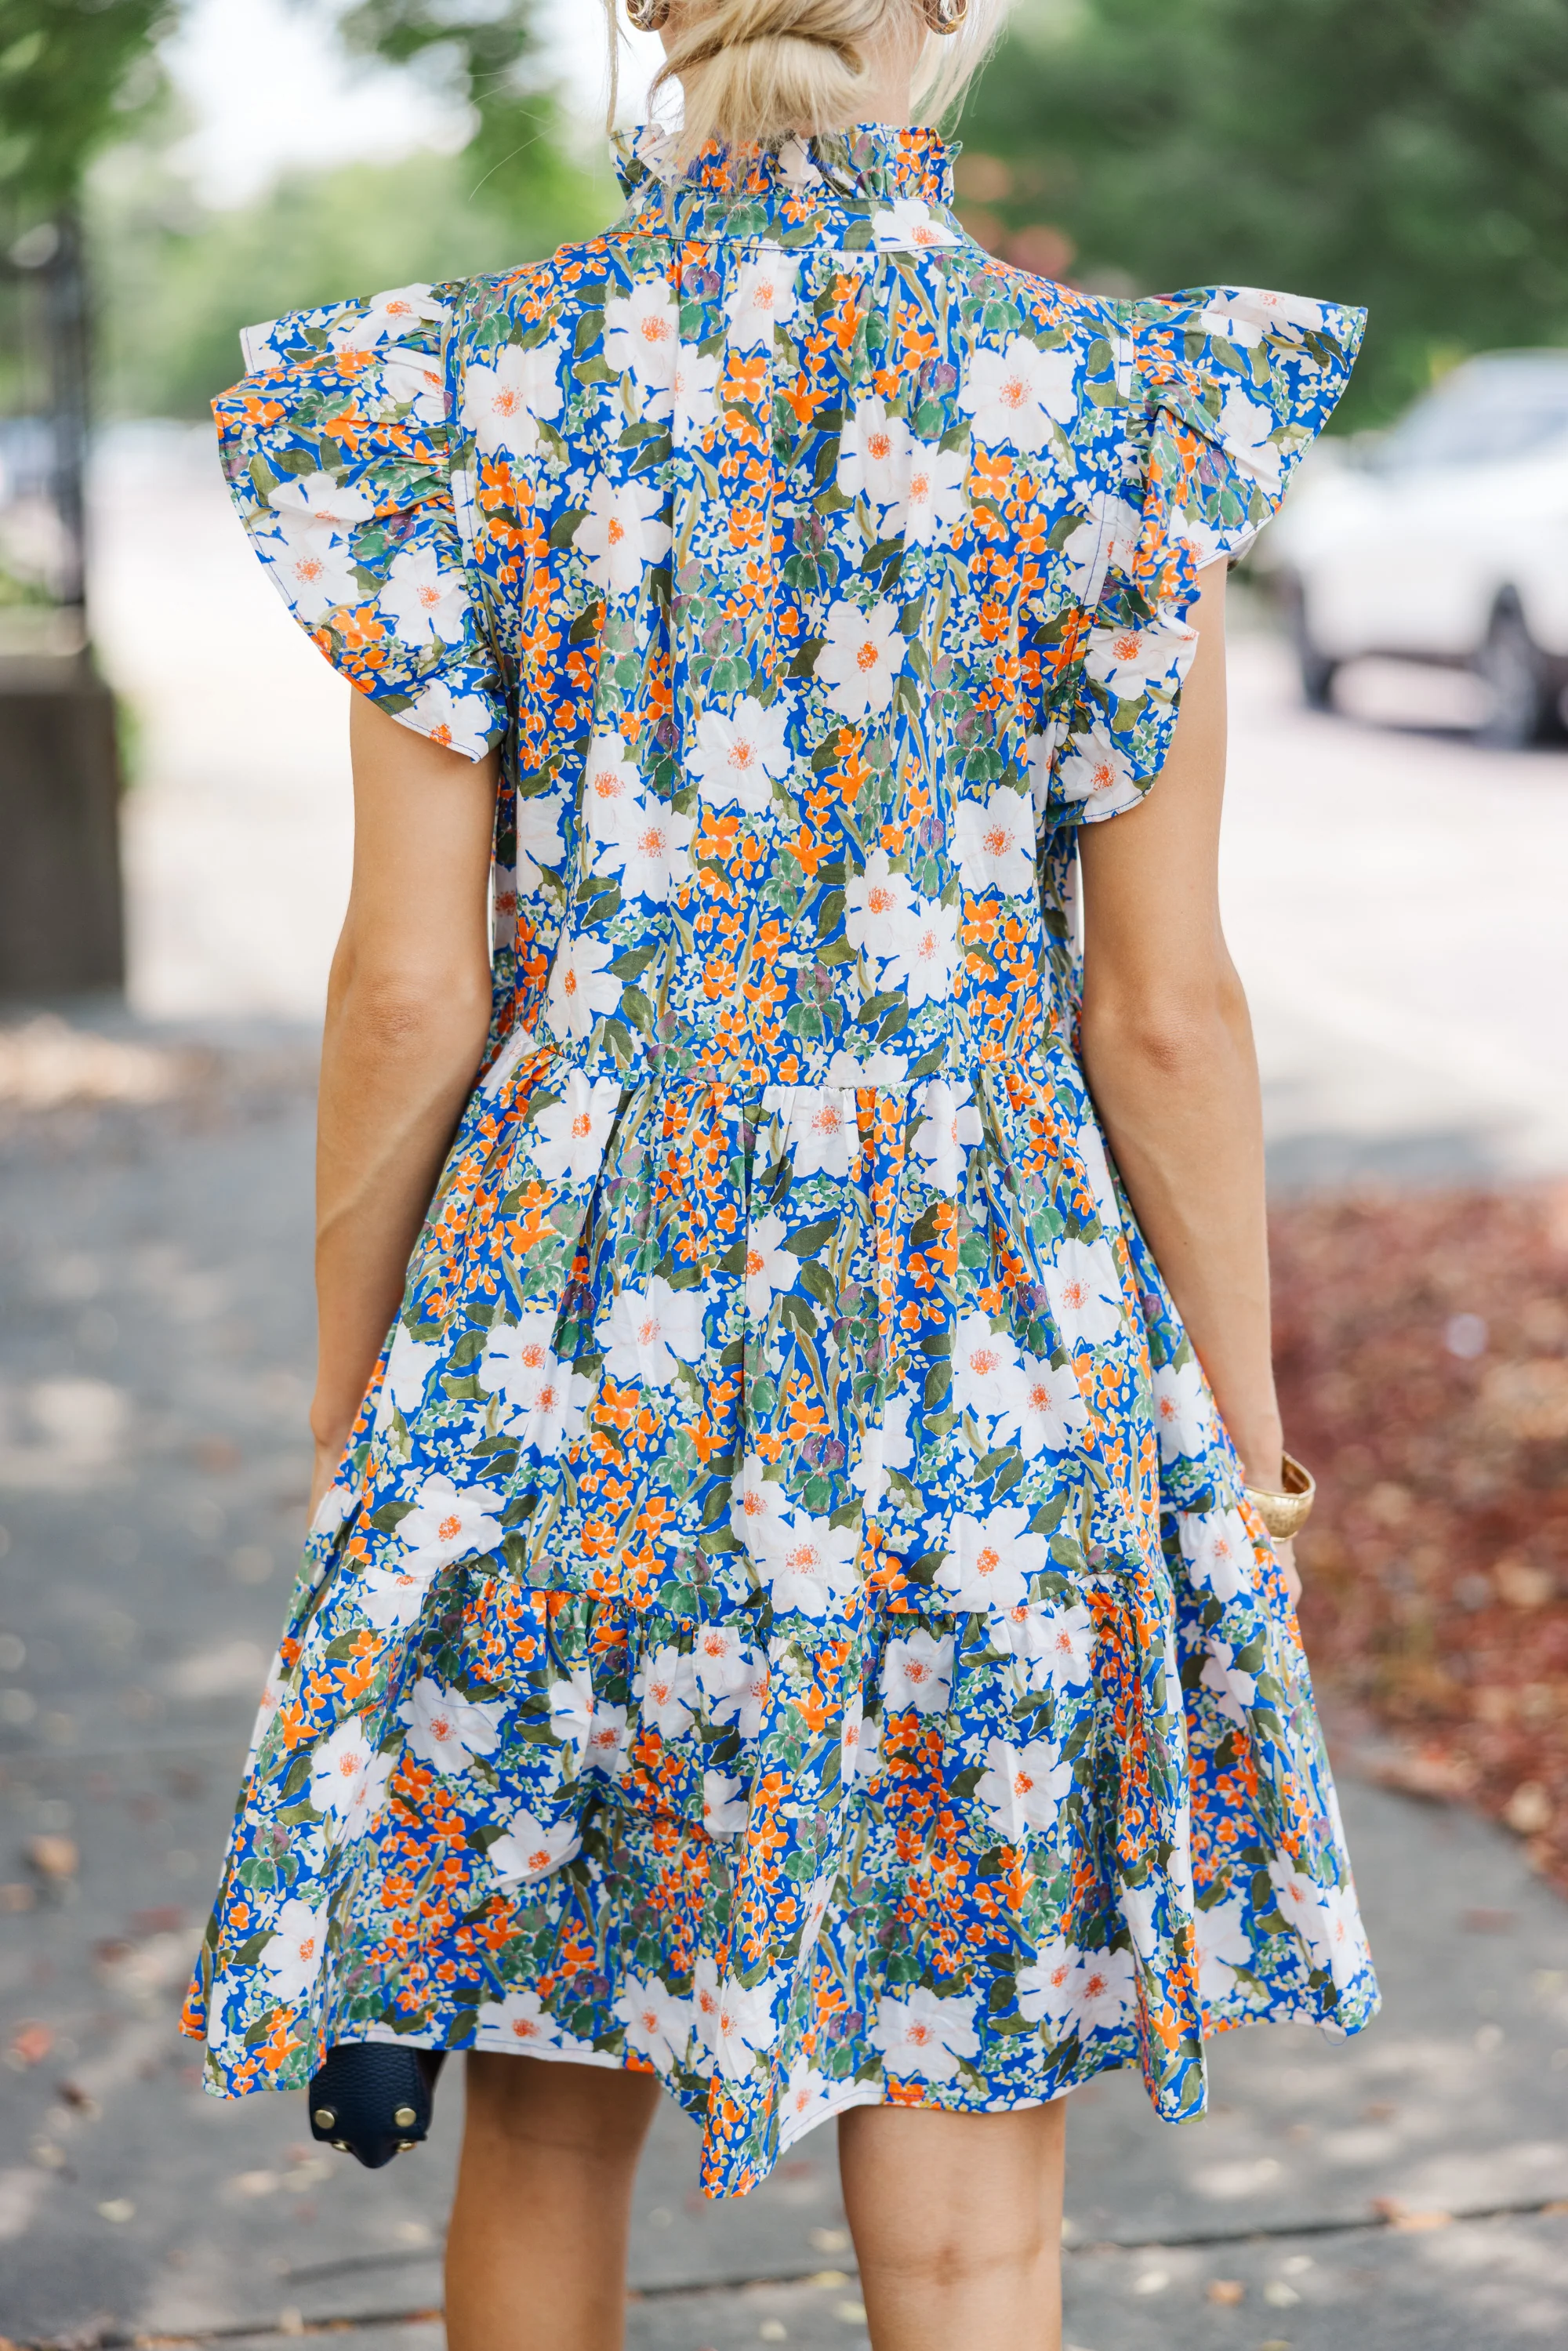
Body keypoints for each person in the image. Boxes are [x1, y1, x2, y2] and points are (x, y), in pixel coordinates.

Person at [180, 2, 1380, 2343]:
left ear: (644, 9)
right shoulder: (1115, 415)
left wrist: (359, 1386)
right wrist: (1244, 1449)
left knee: (538, 2105)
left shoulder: (459, 397)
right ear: (956, 12)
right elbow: (1160, 1008)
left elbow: (409, 996)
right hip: (982, 1331)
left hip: (560, 1351)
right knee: (969, 2205)